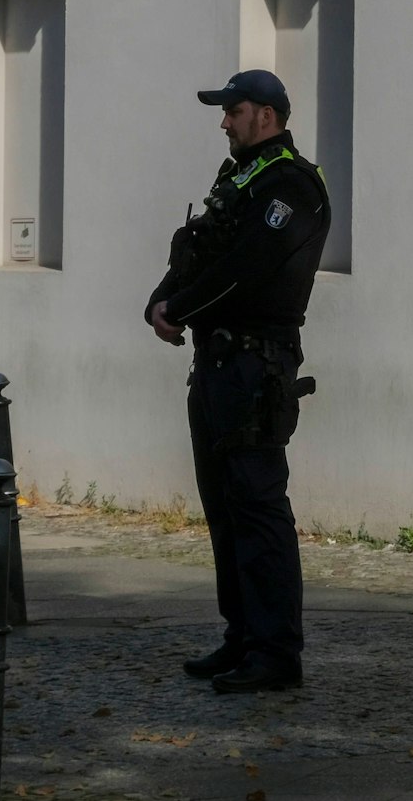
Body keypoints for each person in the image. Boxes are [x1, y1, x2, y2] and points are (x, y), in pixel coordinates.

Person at [145, 69, 331, 694]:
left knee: (257, 508)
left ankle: (277, 652)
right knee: (223, 509)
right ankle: (243, 636)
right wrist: (161, 301)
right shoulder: (238, 179)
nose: (224, 120)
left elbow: (245, 270)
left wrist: (182, 309)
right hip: (218, 366)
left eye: (234, 109)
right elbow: (200, 253)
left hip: (257, 365)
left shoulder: (291, 185)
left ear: (268, 115)